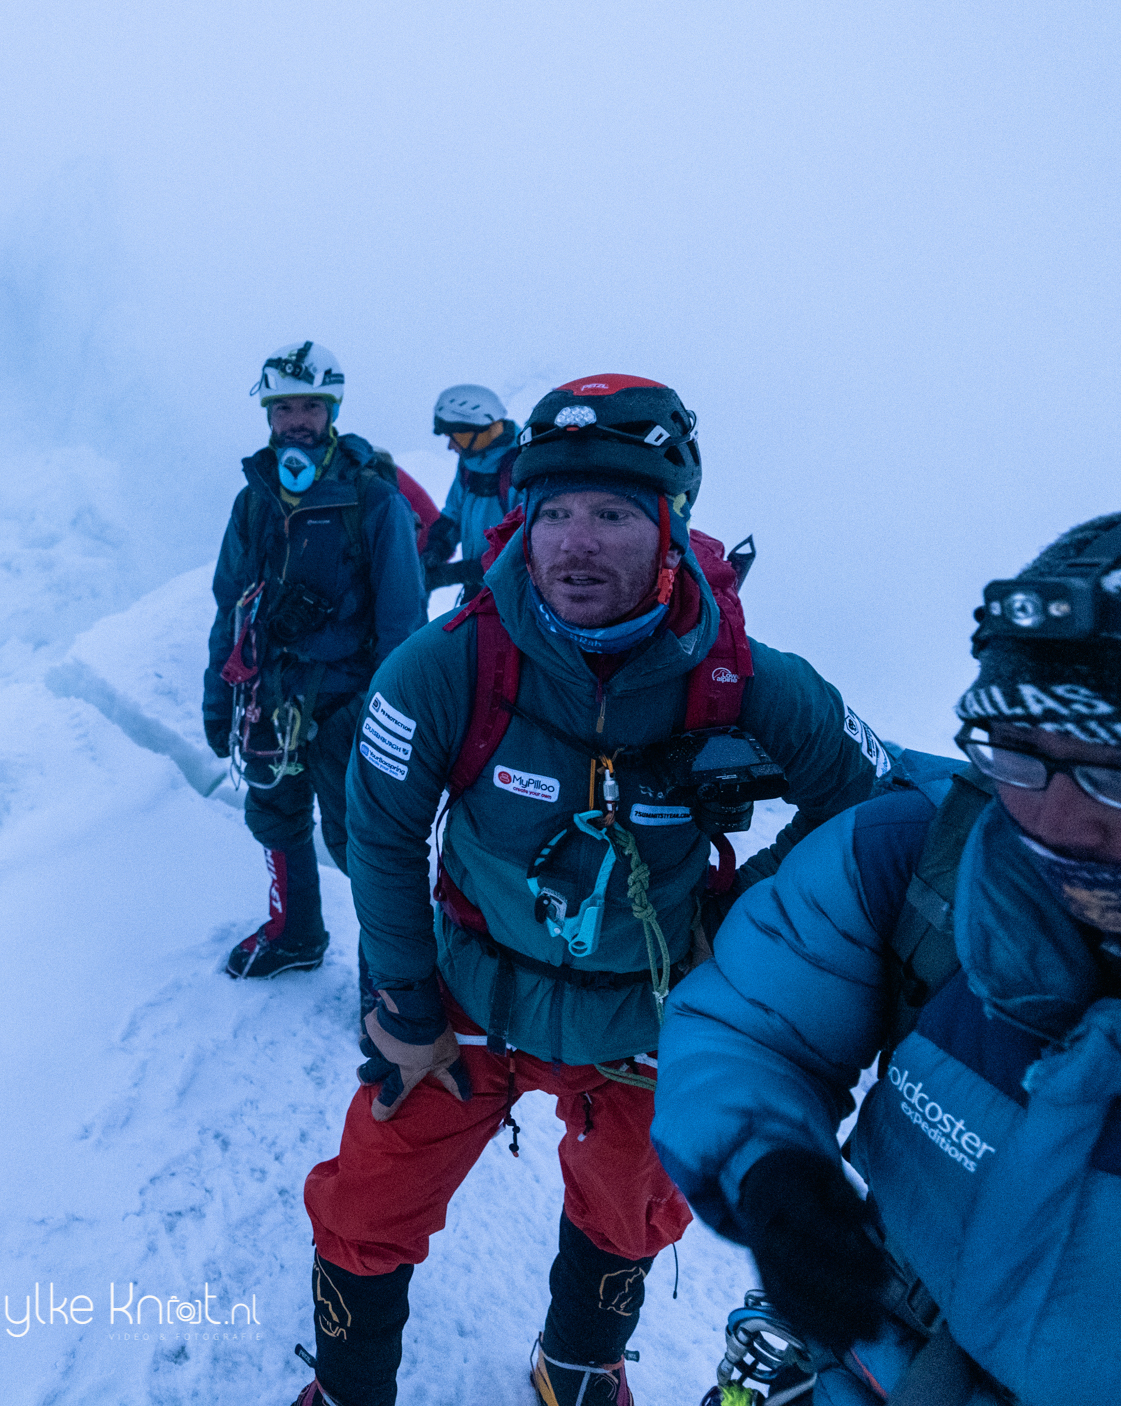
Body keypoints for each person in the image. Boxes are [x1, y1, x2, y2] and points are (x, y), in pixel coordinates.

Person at [654, 507, 1121, 1404]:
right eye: (1022, 754)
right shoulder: (921, 859)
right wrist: (762, 1156)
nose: (1058, 824)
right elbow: (749, 1023)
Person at [295, 374, 893, 1406]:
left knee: (630, 1213)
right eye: (554, 511)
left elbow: (868, 807)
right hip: (467, 996)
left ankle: (574, 1367)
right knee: (368, 1197)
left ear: (671, 526)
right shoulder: (447, 665)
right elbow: (378, 833)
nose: (575, 542)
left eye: (613, 513)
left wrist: (735, 921)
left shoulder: (745, 679)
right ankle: (349, 1391)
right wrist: (404, 1002)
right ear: (521, 519)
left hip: (644, 1015)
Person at [205, 340, 428, 980]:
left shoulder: (373, 500)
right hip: (269, 700)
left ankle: (390, 979)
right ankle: (295, 933)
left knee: (362, 842)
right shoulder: (253, 501)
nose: (296, 420)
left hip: (346, 705)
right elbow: (230, 607)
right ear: (269, 416)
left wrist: (387, 715)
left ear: (332, 411)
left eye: (310, 407)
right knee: (274, 815)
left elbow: (404, 622)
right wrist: (218, 701)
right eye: (284, 408)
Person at [421, 383, 522, 598]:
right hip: (478, 591)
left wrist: (453, 574)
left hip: (514, 596)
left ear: (476, 429)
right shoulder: (470, 464)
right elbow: (453, 516)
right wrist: (434, 551)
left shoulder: (521, 468)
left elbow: (521, 549)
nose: (450, 446)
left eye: (454, 436)